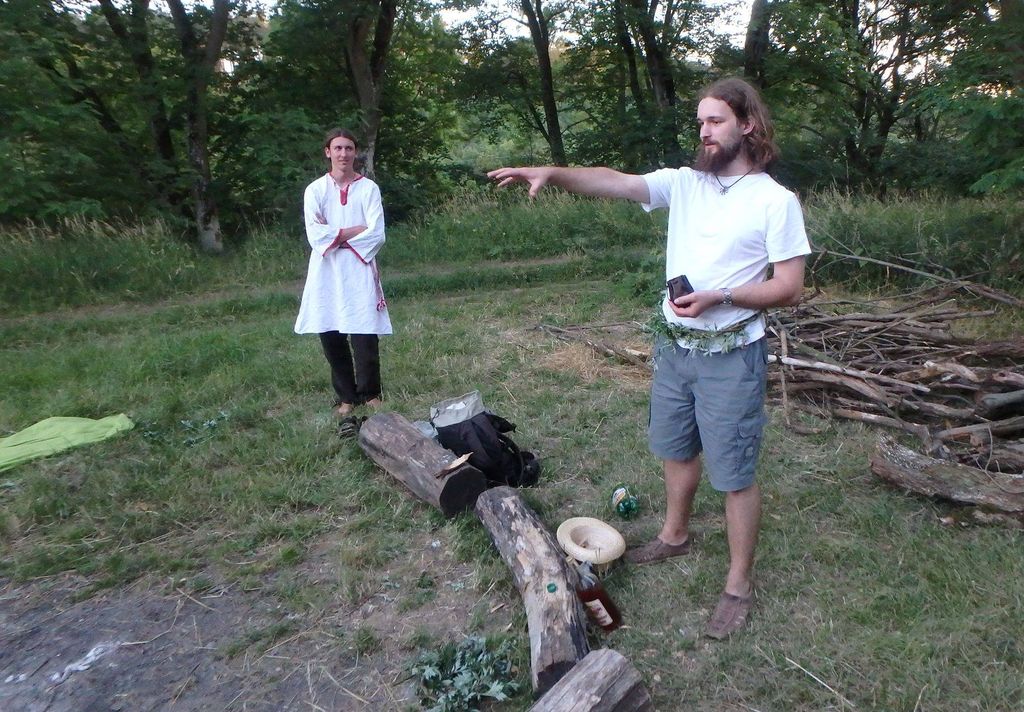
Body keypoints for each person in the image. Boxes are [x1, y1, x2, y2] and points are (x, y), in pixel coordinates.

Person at [489, 77, 810, 639]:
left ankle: (738, 583)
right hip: (674, 346)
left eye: (715, 121)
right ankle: (674, 535)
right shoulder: (685, 184)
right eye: (700, 122)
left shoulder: (774, 201)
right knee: (675, 446)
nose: (704, 131)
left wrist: (721, 296)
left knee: (734, 473)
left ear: (747, 125)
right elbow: (614, 181)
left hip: (732, 354)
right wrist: (553, 173)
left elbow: (789, 286)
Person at [295, 128, 392, 417]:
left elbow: (376, 232)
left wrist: (335, 235)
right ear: (328, 152)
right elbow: (316, 235)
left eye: (348, 148)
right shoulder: (315, 190)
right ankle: (346, 396)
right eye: (337, 148)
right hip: (326, 269)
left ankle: (370, 393)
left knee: (364, 330)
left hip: (359, 267)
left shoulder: (368, 189)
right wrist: (353, 230)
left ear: (355, 152)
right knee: (331, 330)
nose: (343, 154)